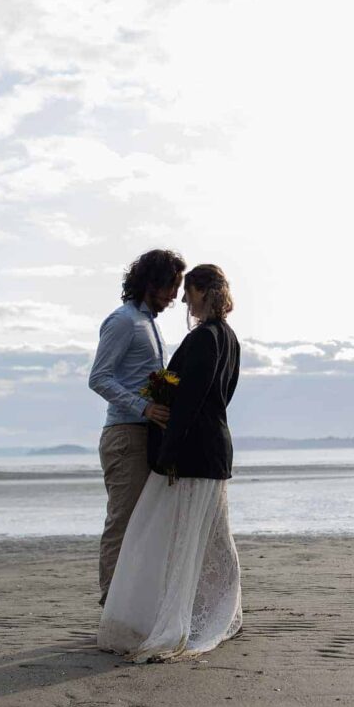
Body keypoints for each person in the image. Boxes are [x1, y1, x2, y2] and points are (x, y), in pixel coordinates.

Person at [97, 264, 242, 663]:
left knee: (170, 534)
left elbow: (192, 402)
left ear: (200, 292)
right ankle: (191, 613)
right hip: (198, 448)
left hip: (190, 454)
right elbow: (221, 397)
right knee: (202, 537)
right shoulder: (226, 337)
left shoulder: (201, 339)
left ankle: (151, 618)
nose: (179, 299)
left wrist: (168, 452)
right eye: (172, 288)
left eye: (185, 290)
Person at [89, 248, 186, 605]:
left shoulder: (150, 323)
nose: (174, 296)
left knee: (146, 525)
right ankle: (112, 607)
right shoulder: (123, 321)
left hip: (146, 435)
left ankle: (134, 605)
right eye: (171, 287)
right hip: (125, 435)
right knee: (123, 523)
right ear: (151, 282)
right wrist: (143, 407)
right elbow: (98, 378)